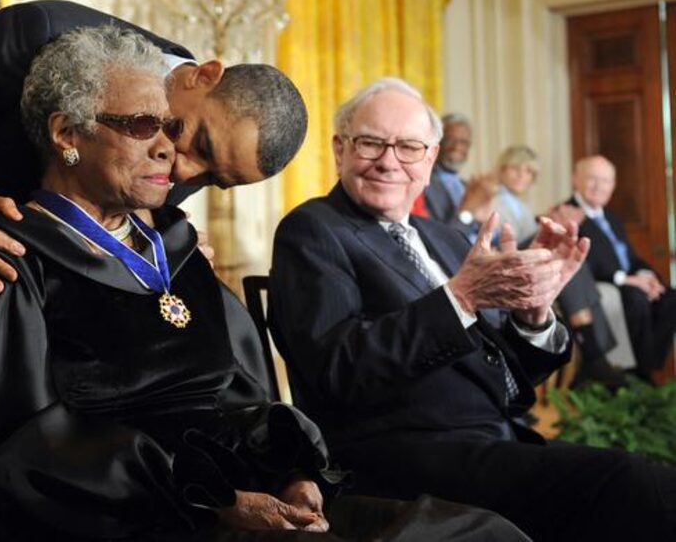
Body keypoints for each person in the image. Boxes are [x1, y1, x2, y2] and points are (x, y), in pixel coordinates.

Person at [0, 26, 529, 541]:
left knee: (479, 531)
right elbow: (26, 443)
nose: (167, 147)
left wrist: (294, 472)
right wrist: (214, 501)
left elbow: (246, 394)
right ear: (65, 134)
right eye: (143, 125)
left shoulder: (175, 247)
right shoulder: (11, 252)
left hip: (253, 505)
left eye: (169, 123)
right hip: (134, 515)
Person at [0, 0, 306, 541]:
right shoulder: (34, 32)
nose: (183, 169)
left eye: (213, 179)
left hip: (27, 280)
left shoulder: (175, 139)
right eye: (196, 142)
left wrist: (165, 253)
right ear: (204, 76)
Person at [269, 77, 676, 541]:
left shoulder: (446, 237)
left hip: (493, 443)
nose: (389, 161)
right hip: (397, 452)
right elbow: (337, 369)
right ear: (340, 149)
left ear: (430, 159)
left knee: (644, 487)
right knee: (632, 484)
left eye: (408, 147)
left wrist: (533, 313)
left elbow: (502, 370)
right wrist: (460, 297)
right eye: (371, 143)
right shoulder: (313, 229)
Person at [493, 146, 624, 387]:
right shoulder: (495, 198)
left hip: (526, 259)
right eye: (515, 169)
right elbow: (497, 242)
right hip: (505, 261)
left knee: (569, 258)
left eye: (529, 172)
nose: (522, 176)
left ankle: (592, 355)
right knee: (562, 253)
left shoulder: (518, 204)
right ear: (502, 169)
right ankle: (594, 355)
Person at [570, 155, 676, 379]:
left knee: (670, 299)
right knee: (636, 298)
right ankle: (634, 374)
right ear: (575, 180)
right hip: (601, 285)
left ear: (613, 185)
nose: (599, 187)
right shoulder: (567, 214)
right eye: (592, 179)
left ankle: (646, 368)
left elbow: (630, 258)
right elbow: (580, 263)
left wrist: (648, 276)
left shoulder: (612, 217)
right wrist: (624, 279)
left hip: (629, 280)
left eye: (606, 181)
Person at [424, 113, 495, 236]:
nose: (457, 147)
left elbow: (487, 235)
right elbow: (442, 242)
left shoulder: (467, 185)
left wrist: (487, 223)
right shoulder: (424, 183)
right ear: (436, 142)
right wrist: (468, 210)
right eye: (450, 140)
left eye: (464, 142)